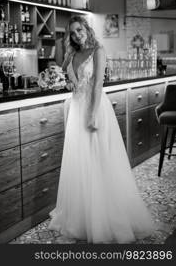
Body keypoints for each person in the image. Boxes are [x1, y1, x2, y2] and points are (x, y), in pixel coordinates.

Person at [48, 15, 154, 243]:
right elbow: (63, 73)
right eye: (73, 33)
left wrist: (93, 114)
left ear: (86, 28)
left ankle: (103, 218)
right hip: (76, 110)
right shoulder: (71, 54)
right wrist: (67, 81)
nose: (77, 35)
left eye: (79, 30)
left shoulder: (98, 50)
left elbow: (97, 85)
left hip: (94, 108)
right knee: (80, 161)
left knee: (98, 160)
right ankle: (81, 217)